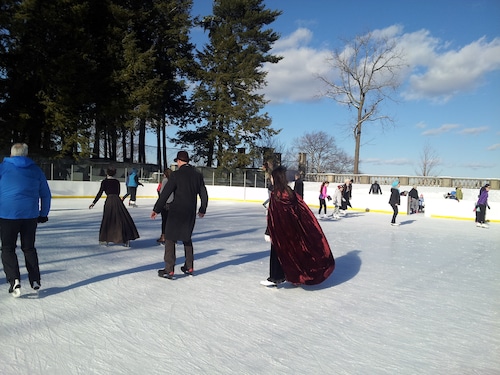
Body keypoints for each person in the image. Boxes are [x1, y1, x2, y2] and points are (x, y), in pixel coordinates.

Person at [261, 166, 335, 286]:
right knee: (294, 253)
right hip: (293, 230)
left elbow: (274, 217)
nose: (271, 179)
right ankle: (295, 276)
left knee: (277, 253)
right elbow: (301, 211)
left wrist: (269, 231)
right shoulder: (290, 193)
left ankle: (275, 278)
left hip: (281, 231)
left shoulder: (277, 194)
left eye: (272, 177)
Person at [0, 143, 51, 297]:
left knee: (8, 248)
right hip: (30, 215)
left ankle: (14, 279)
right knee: (29, 248)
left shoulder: (2, 168)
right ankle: (35, 279)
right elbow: (46, 194)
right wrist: (43, 213)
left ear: (11, 154)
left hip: (7, 214)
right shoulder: (36, 169)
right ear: (26, 154)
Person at [151, 151, 208, 279]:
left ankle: (169, 269)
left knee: (170, 238)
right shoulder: (197, 175)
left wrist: (157, 209)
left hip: (176, 211)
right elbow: (204, 193)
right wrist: (202, 209)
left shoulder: (176, 175)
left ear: (179, 161)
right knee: (186, 237)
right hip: (190, 211)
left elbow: (165, 193)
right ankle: (189, 266)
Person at [89, 166, 139, 246]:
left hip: (109, 201)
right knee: (122, 220)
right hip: (117, 201)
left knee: (107, 220)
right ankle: (125, 238)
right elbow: (118, 192)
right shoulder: (116, 182)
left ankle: (105, 239)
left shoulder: (104, 182)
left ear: (107, 173)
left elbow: (100, 193)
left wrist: (93, 202)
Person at [156, 168, 174, 245]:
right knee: (171, 221)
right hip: (173, 203)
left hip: (166, 203)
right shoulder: (173, 180)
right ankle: (172, 237)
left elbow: (162, 192)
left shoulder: (165, 180)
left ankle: (163, 236)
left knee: (165, 221)